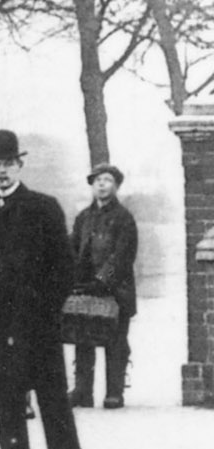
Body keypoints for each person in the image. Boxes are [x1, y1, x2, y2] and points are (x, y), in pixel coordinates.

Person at [0, 129, 94, 449]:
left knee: (51, 388)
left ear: (19, 166)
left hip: (37, 319)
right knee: (6, 389)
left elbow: (64, 267)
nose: (2, 171)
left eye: (8, 163)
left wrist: (48, 310)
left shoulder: (43, 208)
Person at [69, 162, 138, 410]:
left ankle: (114, 392)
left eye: (107, 180)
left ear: (116, 186)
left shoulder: (124, 219)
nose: (101, 184)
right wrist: (74, 279)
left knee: (115, 341)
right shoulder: (83, 218)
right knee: (82, 339)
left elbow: (121, 256)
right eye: (97, 180)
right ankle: (82, 390)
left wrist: (103, 280)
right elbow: (73, 250)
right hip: (87, 289)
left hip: (117, 291)